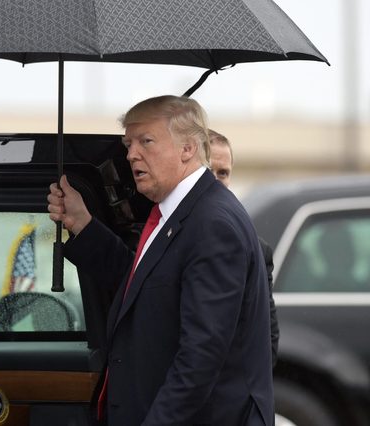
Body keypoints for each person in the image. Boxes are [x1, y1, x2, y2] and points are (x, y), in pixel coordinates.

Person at [48, 96, 273, 425]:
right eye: (128, 144)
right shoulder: (178, 212)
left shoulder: (212, 223)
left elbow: (202, 354)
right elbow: (144, 288)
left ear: (187, 149)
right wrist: (82, 224)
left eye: (146, 141)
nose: (131, 154)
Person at [208, 129, 279, 365]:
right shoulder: (160, 235)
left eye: (223, 173)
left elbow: (266, 335)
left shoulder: (256, 249)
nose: (216, 180)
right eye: (208, 171)